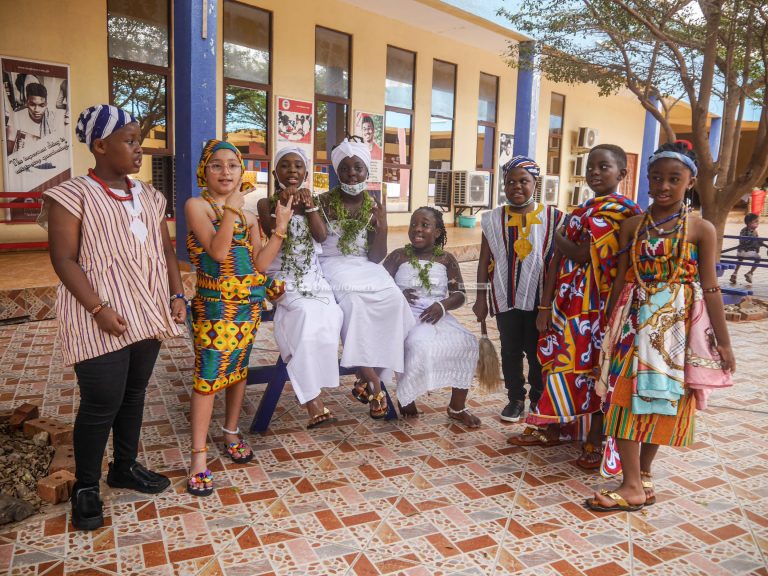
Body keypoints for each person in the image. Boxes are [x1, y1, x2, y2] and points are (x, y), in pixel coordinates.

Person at [40, 104, 187, 530]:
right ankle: (87, 486)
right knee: (101, 400)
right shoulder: (72, 195)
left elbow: (165, 251)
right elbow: (64, 259)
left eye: (140, 141)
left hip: (146, 309)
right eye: (130, 141)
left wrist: (177, 293)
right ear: (101, 146)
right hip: (98, 313)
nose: (140, 149)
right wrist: (98, 309)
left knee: (134, 393)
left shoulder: (151, 196)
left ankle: (124, 466)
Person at [587, 141, 736, 512]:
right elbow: (621, 279)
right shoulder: (633, 226)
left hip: (675, 330)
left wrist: (724, 341)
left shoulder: (701, 229)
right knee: (622, 398)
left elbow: (711, 288)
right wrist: (608, 328)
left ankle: (642, 475)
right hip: (632, 323)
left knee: (662, 400)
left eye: (674, 179)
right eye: (656, 178)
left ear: (691, 182)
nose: (664, 186)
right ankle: (633, 483)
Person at [508, 145, 641, 467]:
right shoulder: (582, 211)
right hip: (568, 306)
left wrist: (558, 236)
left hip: (601, 307)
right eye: (590, 166)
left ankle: (595, 438)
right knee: (558, 363)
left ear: (622, 174)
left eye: (603, 166)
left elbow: (581, 253)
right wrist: (545, 307)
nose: (594, 172)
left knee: (596, 368)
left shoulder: (624, 213)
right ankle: (553, 427)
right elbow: (555, 261)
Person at [185, 139, 291, 497]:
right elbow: (217, 252)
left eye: (232, 165)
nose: (226, 172)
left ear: (241, 170)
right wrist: (231, 208)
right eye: (217, 165)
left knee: (237, 371)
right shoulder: (197, 206)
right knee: (208, 377)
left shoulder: (249, 217)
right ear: (205, 170)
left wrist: (280, 228)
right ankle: (199, 456)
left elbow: (260, 264)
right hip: (214, 306)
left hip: (247, 307)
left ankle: (231, 432)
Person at [317, 137, 414, 419]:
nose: (352, 174)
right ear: (337, 172)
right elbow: (318, 241)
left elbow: (375, 257)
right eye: (345, 168)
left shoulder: (374, 205)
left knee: (393, 300)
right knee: (355, 302)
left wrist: (382, 225)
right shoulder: (322, 202)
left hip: (364, 264)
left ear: (366, 171)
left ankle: (366, 376)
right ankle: (372, 380)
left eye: (358, 168)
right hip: (332, 263)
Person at [256, 146, 344, 428]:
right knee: (304, 316)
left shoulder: (313, 201)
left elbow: (321, 235)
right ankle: (312, 400)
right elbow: (272, 234)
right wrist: (284, 207)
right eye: (285, 165)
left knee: (332, 314)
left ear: (306, 173)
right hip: (283, 276)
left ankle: (312, 383)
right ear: (275, 173)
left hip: (312, 275)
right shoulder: (265, 204)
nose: (292, 171)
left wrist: (310, 208)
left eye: (298, 166)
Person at [473, 156, 565, 423]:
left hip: (539, 301)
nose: (516, 186)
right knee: (510, 351)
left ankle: (537, 397)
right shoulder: (492, 219)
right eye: (510, 182)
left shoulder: (554, 218)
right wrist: (481, 298)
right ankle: (515, 399)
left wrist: (547, 306)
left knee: (537, 352)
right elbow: (483, 260)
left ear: (535, 183)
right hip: (505, 298)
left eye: (524, 181)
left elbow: (558, 262)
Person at [383, 207, 480, 426]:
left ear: (437, 232)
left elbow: (460, 295)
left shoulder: (446, 259)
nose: (417, 229)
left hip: (436, 314)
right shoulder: (398, 256)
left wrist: (442, 306)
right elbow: (379, 285)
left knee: (467, 343)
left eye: (425, 225)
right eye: (413, 224)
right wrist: (397, 295)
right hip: (404, 316)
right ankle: (407, 397)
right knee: (417, 344)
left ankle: (457, 407)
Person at [6, 82, 61, 153]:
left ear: (46, 104)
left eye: (41, 105)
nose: (36, 110)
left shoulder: (53, 119)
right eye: (32, 104)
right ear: (27, 103)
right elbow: (9, 151)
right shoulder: (16, 116)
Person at [730, 213, 766, 285]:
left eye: (757, 221)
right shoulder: (753, 232)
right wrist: (760, 244)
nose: (758, 223)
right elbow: (754, 242)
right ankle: (750, 273)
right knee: (758, 258)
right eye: (756, 221)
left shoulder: (743, 230)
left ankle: (734, 273)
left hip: (740, 252)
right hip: (748, 252)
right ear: (749, 223)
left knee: (740, 259)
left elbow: (745, 241)